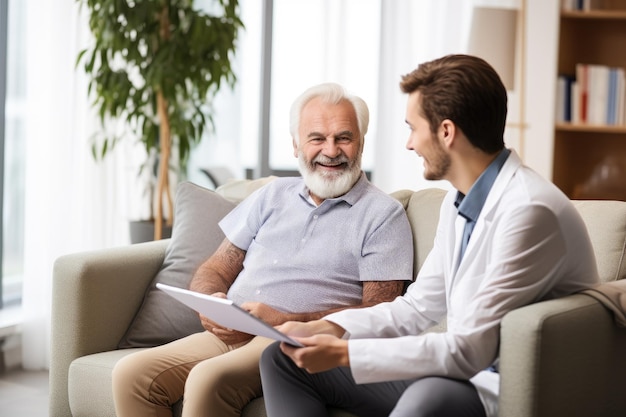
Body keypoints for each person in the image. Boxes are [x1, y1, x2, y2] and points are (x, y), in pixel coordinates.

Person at [259, 54, 600, 417]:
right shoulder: (459, 199)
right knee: (282, 360)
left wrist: (344, 352)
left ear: (447, 132)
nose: (409, 144)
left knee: (429, 400)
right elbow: (418, 306)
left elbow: (469, 351)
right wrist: (327, 327)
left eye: (413, 128)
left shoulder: (530, 211)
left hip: (506, 387)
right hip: (460, 374)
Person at [111, 82, 414, 417]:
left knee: (207, 378)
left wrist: (286, 319)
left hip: (293, 342)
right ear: (296, 145)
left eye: (343, 137)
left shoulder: (383, 214)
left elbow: (380, 311)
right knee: (130, 374)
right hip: (232, 330)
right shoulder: (273, 195)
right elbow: (216, 267)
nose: (331, 150)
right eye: (317, 138)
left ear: (360, 143)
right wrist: (211, 302)